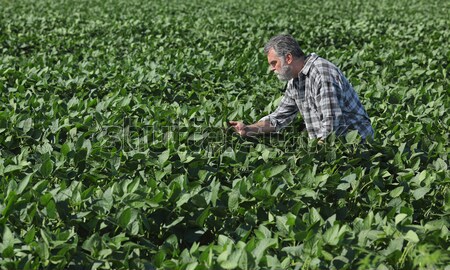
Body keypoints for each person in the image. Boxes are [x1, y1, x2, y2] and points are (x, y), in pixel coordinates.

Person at [229, 34, 374, 142]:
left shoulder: (321, 74)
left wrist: (315, 157)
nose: (272, 69)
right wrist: (248, 129)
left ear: (288, 58)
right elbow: (278, 118)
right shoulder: (296, 80)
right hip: (331, 145)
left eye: (274, 63)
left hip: (357, 146)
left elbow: (331, 124)